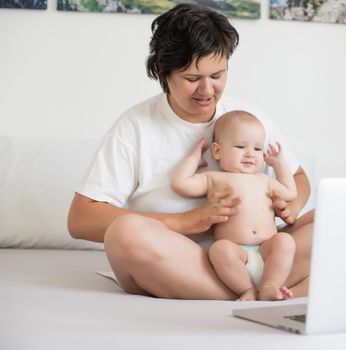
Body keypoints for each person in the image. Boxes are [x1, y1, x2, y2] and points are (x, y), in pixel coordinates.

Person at [67, 3, 314, 300]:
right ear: (164, 72)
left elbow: (298, 176)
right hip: (180, 260)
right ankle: (277, 292)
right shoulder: (135, 126)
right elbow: (80, 219)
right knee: (126, 234)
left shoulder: (248, 119)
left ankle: (256, 289)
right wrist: (186, 221)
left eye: (217, 75)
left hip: (261, 253)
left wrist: (293, 206)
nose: (207, 90)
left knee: (332, 220)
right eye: (192, 79)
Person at [171, 111, 297, 301]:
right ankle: (246, 290)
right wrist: (193, 159)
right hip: (235, 253)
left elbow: (290, 192)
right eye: (240, 146)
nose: (249, 154)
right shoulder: (214, 178)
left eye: (257, 149)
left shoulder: (265, 180)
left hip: (266, 249)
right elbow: (181, 183)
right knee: (218, 250)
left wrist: (279, 164)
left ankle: (270, 286)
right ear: (217, 151)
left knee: (286, 241)